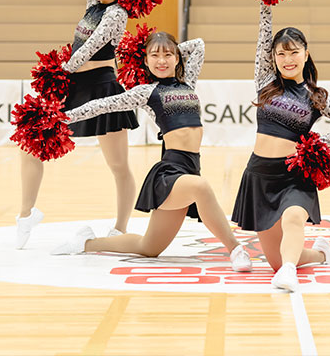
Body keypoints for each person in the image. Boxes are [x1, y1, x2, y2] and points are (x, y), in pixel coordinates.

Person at [50, 32, 252, 272]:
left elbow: (198, 45)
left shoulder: (188, 81)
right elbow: (102, 105)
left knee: (148, 247)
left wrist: (162, 49)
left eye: (168, 55)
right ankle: (236, 250)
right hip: (170, 171)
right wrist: (62, 117)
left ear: (177, 58)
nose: (161, 60)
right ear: (145, 61)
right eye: (154, 56)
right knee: (201, 187)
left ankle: (86, 243)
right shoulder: (146, 92)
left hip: (191, 167)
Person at [231, 2, 330, 291]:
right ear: (273, 57)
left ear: (306, 53)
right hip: (259, 175)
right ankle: (321, 254)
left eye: (293, 52)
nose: (287, 59)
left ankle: (289, 272)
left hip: (293, 175)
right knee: (275, 261)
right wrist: (266, 3)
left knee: (293, 219)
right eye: (281, 54)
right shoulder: (265, 81)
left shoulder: (317, 96)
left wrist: (314, 144)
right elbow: (263, 37)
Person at [16, 0, 138, 249]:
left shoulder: (117, 13)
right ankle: (26, 214)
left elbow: (89, 48)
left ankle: (120, 227)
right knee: (31, 146)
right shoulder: (92, 5)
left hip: (102, 87)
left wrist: (62, 68)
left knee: (118, 165)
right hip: (73, 86)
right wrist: (64, 74)